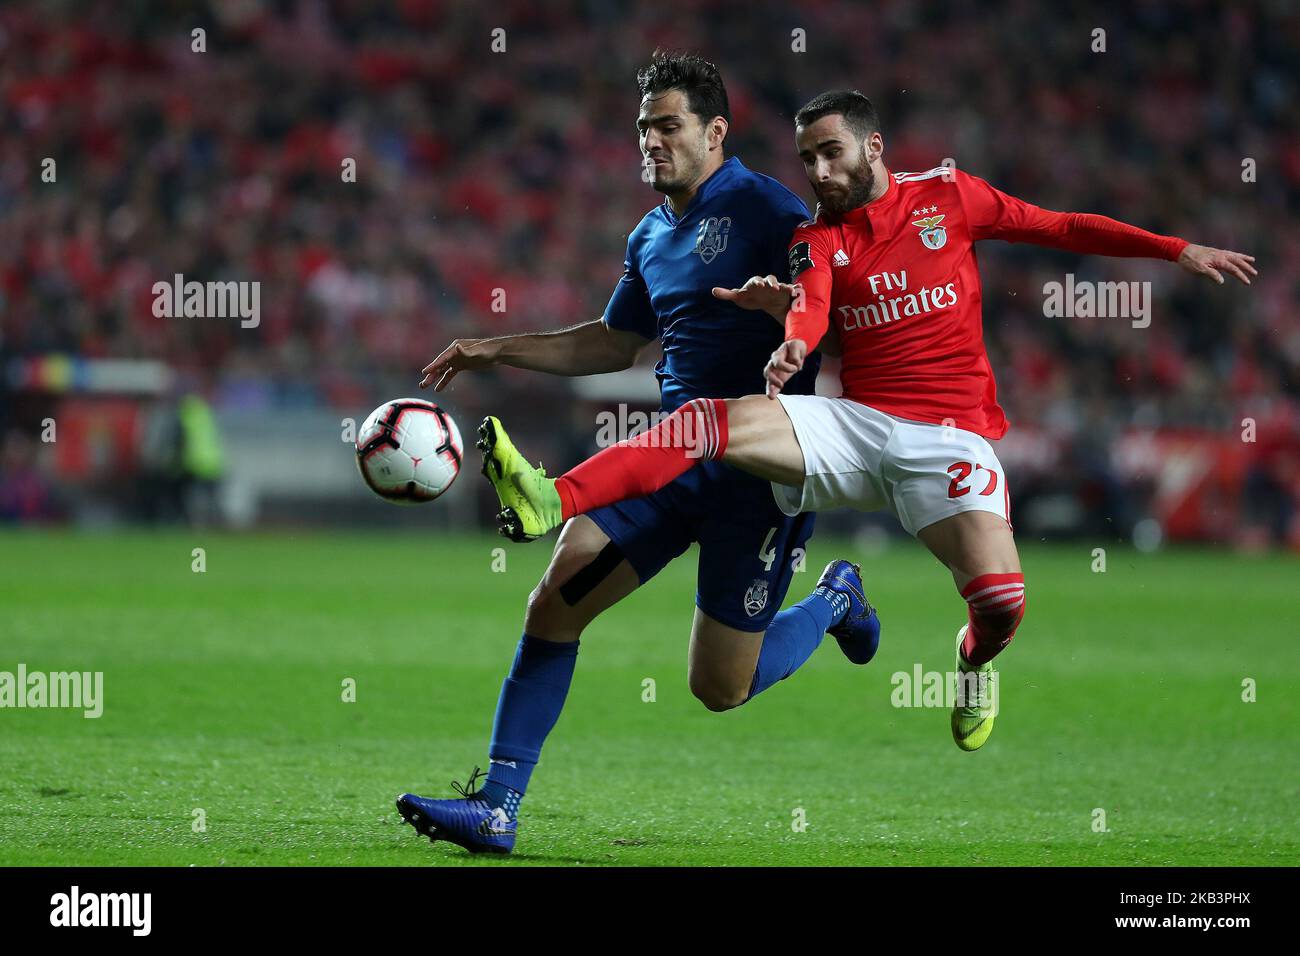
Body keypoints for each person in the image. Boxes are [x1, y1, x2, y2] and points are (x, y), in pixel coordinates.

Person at [479, 88, 1256, 761]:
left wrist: (1174, 249)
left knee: (1001, 599)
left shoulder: (950, 198)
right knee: (713, 421)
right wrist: (792, 341)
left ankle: (973, 661)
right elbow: (812, 299)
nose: (817, 173)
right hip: (855, 425)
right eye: (806, 158)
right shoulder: (817, 236)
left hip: (948, 438)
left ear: (873, 146)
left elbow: (1058, 228)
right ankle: (555, 497)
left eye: (830, 154)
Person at [396, 60, 881, 856]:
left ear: (715, 132)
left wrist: (793, 314)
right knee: (555, 599)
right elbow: (613, 341)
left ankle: (835, 601)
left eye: (668, 127)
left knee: (720, 688)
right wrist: (495, 349)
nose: (650, 143)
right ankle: (498, 806)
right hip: (667, 460)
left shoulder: (769, 209)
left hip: (759, 479)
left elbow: (829, 299)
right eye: (643, 129)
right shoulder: (650, 234)